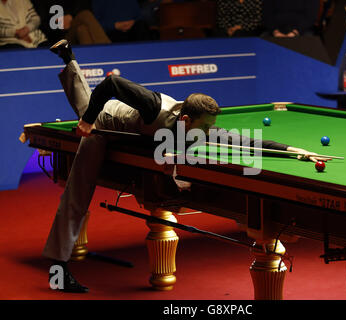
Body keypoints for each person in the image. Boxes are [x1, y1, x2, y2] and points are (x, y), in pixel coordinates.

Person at [44, 39, 328, 293]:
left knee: (160, 152)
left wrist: (295, 151)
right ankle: (58, 269)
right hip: (108, 125)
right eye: (204, 128)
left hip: (145, 136)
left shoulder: (197, 125)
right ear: (186, 120)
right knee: (79, 188)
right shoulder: (154, 105)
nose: (209, 133)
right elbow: (111, 85)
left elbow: (245, 142)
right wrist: (88, 121)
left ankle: (68, 59)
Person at [31, 0, 111, 46]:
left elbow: (85, 7)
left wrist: (71, 17)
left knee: (82, 30)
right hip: (59, 40)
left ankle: (91, 62)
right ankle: (108, 49)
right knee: (85, 15)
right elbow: (41, 24)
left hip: (75, 30)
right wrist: (56, 22)